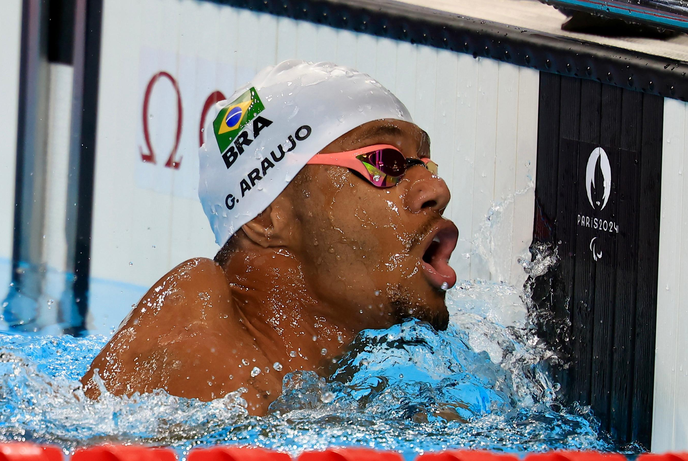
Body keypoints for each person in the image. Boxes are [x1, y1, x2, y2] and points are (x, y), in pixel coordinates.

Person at [82, 60, 458, 414]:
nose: (436, 188)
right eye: (385, 162)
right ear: (265, 215)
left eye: (426, 165)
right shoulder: (193, 337)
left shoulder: (331, 386)